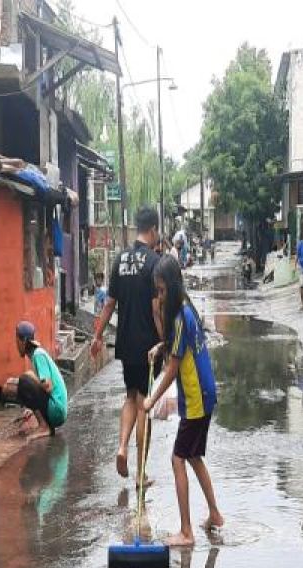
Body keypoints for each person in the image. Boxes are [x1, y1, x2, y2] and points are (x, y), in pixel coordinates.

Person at [143, 256, 223, 546]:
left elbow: (173, 368)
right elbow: (177, 346)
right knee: (192, 456)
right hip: (203, 393)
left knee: (178, 458)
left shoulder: (179, 318)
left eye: (162, 291)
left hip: (196, 397)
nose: (160, 297)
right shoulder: (186, 311)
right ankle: (214, 514)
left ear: (173, 288)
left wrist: (151, 399)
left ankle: (186, 532)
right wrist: (159, 345)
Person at [92, 207, 162, 481]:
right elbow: (157, 310)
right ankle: (141, 473)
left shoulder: (120, 259)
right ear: (153, 230)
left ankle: (121, 446)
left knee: (130, 397)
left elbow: (109, 304)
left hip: (125, 342)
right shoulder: (155, 262)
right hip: (148, 345)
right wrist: (166, 341)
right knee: (145, 403)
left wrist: (97, 336)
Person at [11, 320, 67, 439]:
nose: (16, 345)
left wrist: (31, 376)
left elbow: (48, 386)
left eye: (17, 341)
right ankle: (41, 422)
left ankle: (44, 426)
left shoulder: (38, 355)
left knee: (24, 380)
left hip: (57, 410)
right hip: (56, 409)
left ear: (24, 341)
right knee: (26, 380)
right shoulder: (36, 354)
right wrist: (31, 409)